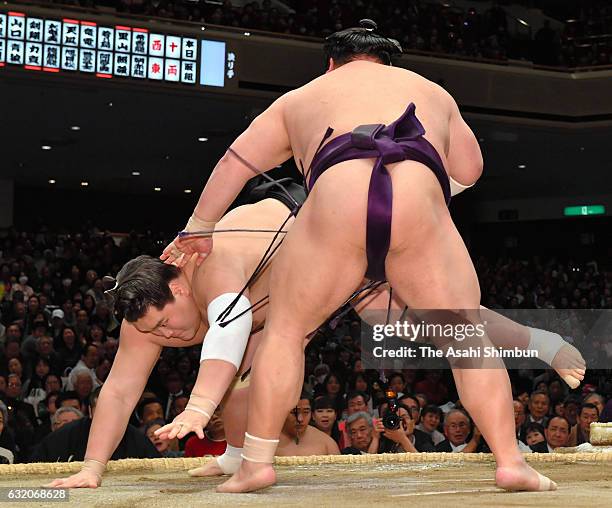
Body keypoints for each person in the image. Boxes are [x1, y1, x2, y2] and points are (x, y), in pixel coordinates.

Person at [165, 18, 582, 492]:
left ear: (330, 65)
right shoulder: (432, 91)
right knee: (465, 336)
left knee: (285, 331)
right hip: (417, 200)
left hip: (334, 205)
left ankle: (256, 463)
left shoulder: (301, 97)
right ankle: (510, 461)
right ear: (388, 63)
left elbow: (234, 163)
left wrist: (199, 227)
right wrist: (426, 198)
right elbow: (471, 167)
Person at [45, 192, 306, 488]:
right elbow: (119, 391)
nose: (165, 336)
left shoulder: (210, 267)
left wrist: (199, 406)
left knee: (274, 353)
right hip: (272, 299)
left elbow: (229, 328)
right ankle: (236, 454)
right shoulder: (143, 322)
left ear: (177, 289)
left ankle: (254, 461)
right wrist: (92, 467)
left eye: (165, 323)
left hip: (309, 222)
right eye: (156, 331)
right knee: (240, 369)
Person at [32, 388, 160, 463]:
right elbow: (36, 466)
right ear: (90, 411)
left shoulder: (136, 438)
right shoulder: (65, 436)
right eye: (101, 410)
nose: (107, 416)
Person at [276, 394, 340, 456]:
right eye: (293, 412)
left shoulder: (327, 443)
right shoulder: (269, 440)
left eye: (306, 412)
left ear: (311, 414)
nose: (300, 419)